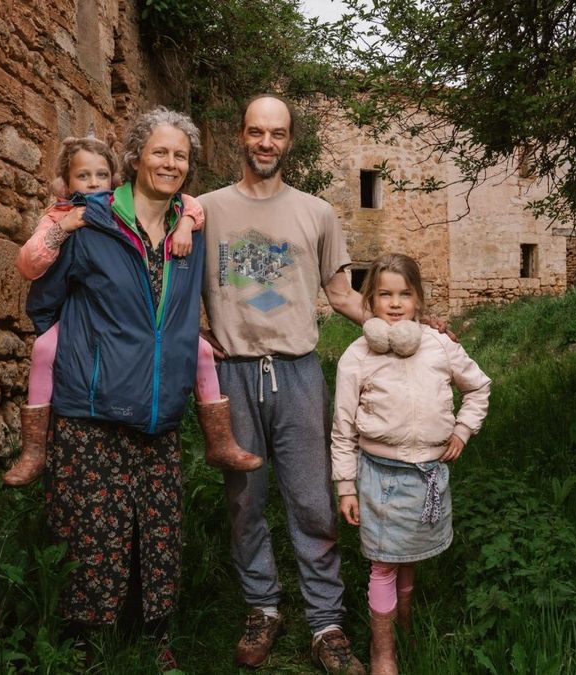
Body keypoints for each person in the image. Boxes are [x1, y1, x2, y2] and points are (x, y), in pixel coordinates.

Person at [24, 107, 212, 668]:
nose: (170, 163)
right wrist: (86, 361)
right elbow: (44, 303)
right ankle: (85, 645)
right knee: (90, 531)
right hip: (92, 410)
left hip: (160, 409)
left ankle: (154, 638)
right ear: (134, 157)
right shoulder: (91, 220)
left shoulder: (191, 229)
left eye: (180, 155)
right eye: (160, 152)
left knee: (159, 529)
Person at [198, 94, 368, 674]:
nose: (265, 143)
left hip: (297, 372)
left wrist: (407, 326)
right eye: (256, 131)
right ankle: (262, 608)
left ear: (290, 140)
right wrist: (195, 336)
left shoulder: (317, 213)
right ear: (240, 135)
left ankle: (326, 623)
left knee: (313, 499)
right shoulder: (205, 210)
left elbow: (342, 295)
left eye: (276, 133)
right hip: (232, 374)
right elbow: (176, 281)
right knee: (244, 500)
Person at [3, 136, 259, 487]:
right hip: (85, 342)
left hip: (152, 393)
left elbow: (191, 204)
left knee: (202, 351)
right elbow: (34, 274)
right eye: (83, 176)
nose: (93, 184)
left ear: (114, 178)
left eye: (101, 175)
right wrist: (63, 229)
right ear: (66, 182)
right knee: (44, 347)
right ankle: (34, 449)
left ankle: (219, 439)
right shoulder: (63, 216)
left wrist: (186, 223)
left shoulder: (135, 216)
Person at [330, 254, 491, 675]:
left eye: (405, 294)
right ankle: (383, 651)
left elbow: (478, 388)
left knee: (409, 557)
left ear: (418, 299)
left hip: (428, 477)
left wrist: (462, 430)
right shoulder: (356, 356)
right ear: (370, 300)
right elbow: (343, 428)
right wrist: (345, 485)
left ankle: (405, 625)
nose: (396, 303)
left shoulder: (440, 345)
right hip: (380, 477)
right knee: (384, 562)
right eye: (385, 294)